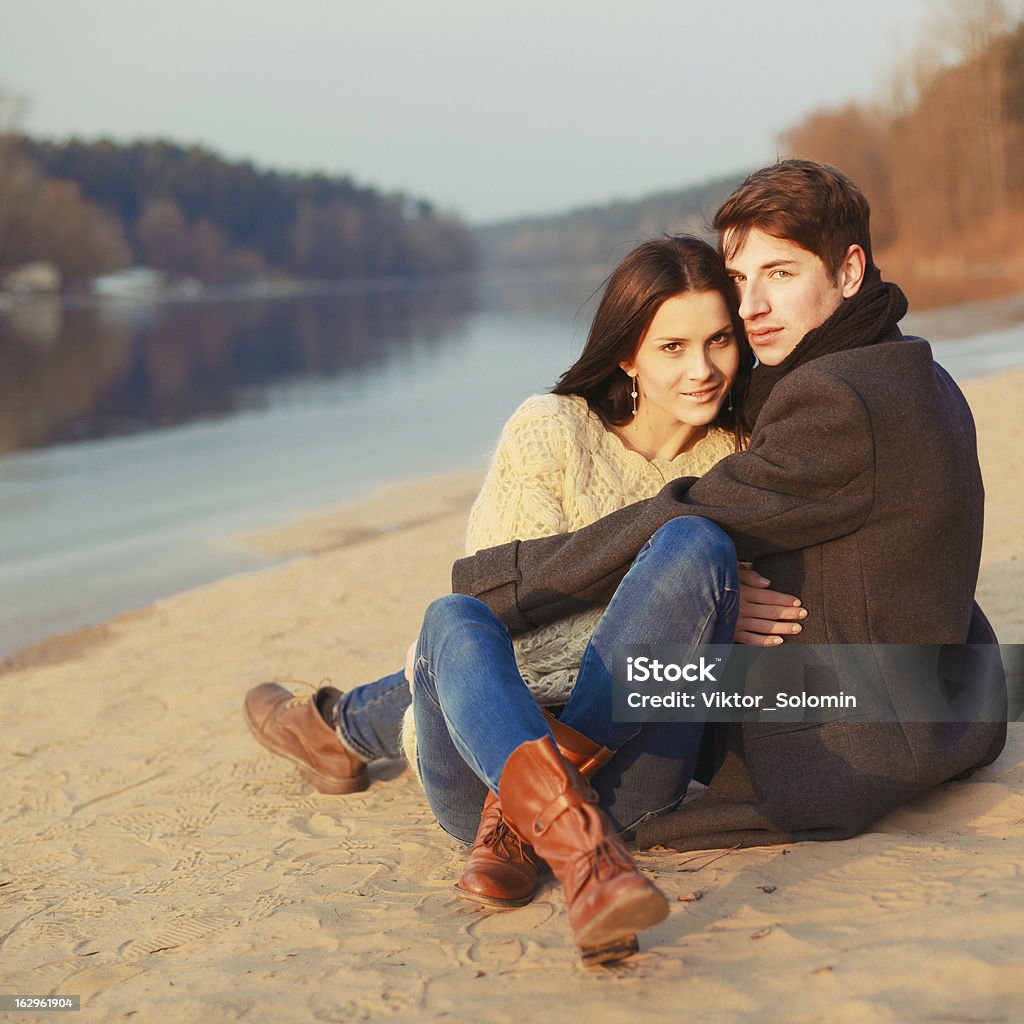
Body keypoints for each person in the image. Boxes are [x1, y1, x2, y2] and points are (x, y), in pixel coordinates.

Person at [245, 235, 802, 965]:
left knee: (695, 544)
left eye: (720, 340)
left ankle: (343, 729)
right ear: (628, 354)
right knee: (452, 620)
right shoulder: (552, 431)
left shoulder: (737, 456)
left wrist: (707, 607)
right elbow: (503, 613)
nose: (702, 370)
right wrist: (690, 614)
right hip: (482, 779)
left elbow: (662, 651)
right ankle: (584, 856)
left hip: (636, 775)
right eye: (672, 347)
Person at [451, 159, 1007, 858]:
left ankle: (514, 773)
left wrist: (509, 582)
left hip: (853, 722)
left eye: (781, 273)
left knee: (558, 640)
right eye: (740, 280)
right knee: (466, 649)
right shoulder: (913, 369)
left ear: (849, 270)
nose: (750, 309)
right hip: (950, 693)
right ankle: (368, 709)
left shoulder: (838, 398)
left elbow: (690, 509)